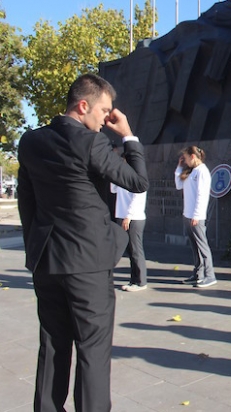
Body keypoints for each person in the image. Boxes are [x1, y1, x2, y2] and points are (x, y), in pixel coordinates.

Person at [17, 73, 149, 412]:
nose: (107, 119)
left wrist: (37, 242)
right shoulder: (91, 143)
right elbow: (137, 181)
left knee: (52, 344)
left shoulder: (31, 142)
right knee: (92, 349)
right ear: (83, 105)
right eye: (104, 111)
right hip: (88, 263)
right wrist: (129, 136)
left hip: (47, 260)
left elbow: (26, 200)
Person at [175, 146, 217, 288]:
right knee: (194, 246)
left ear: (193, 156)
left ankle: (210, 275)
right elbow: (178, 185)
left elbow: (202, 195)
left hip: (196, 216)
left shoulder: (202, 172)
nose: (185, 161)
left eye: (186, 158)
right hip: (188, 214)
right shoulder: (191, 171)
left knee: (202, 245)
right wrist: (179, 168)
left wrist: (197, 215)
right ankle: (198, 273)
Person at [111, 166, 148, 292]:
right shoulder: (123, 178)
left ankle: (141, 281)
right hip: (122, 215)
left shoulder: (137, 178)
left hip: (133, 218)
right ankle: (134, 280)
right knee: (130, 251)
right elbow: (113, 189)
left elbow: (137, 198)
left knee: (136, 249)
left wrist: (129, 216)